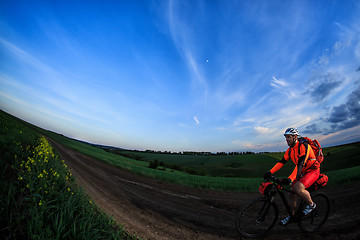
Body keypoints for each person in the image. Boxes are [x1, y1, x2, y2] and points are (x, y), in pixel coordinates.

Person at [264, 127, 320, 226]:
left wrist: (290, 178)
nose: (287, 139)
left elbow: (301, 163)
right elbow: (282, 162)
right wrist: (270, 172)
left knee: (297, 188)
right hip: (301, 172)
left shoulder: (304, 146)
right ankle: (292, 216)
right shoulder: (290, 150)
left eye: (288, 137)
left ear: (295, 137)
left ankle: (312, 205)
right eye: (286, 137)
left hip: (312, 171)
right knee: (292, 194)